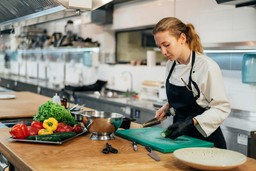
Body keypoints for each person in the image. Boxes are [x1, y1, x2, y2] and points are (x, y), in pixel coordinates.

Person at [153, 17, 230, 149]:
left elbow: (221, 108)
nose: (163, 52)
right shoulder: (170, 65)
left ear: (182, 38)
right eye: (160, 47)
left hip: (205, 139)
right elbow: (185, 100)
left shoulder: (207, 66)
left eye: (166, 45)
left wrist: (192, 122)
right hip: (179, 137)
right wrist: (167, 107)